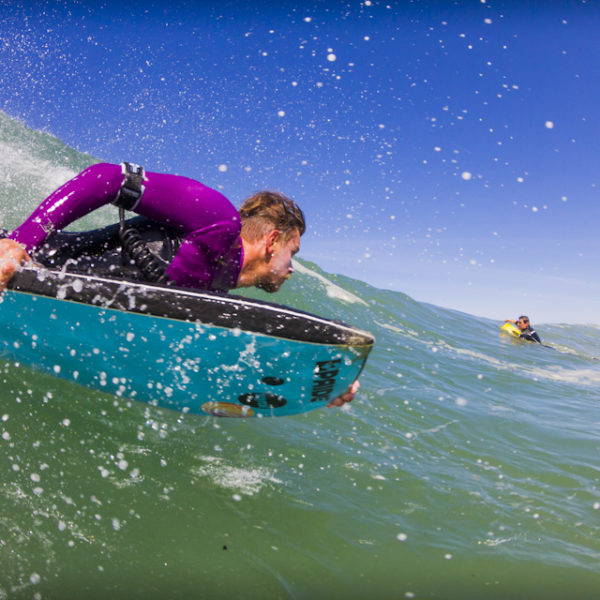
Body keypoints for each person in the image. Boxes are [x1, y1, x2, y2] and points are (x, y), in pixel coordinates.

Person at [0, 161, 359, 407]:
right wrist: (19, 242)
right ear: (272, 240)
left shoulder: (212, 296)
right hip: (19, 267)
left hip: (34, 300)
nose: (292, 268)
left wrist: (318, 380)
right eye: (291, 253)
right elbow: (108, 177)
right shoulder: (219, 221)